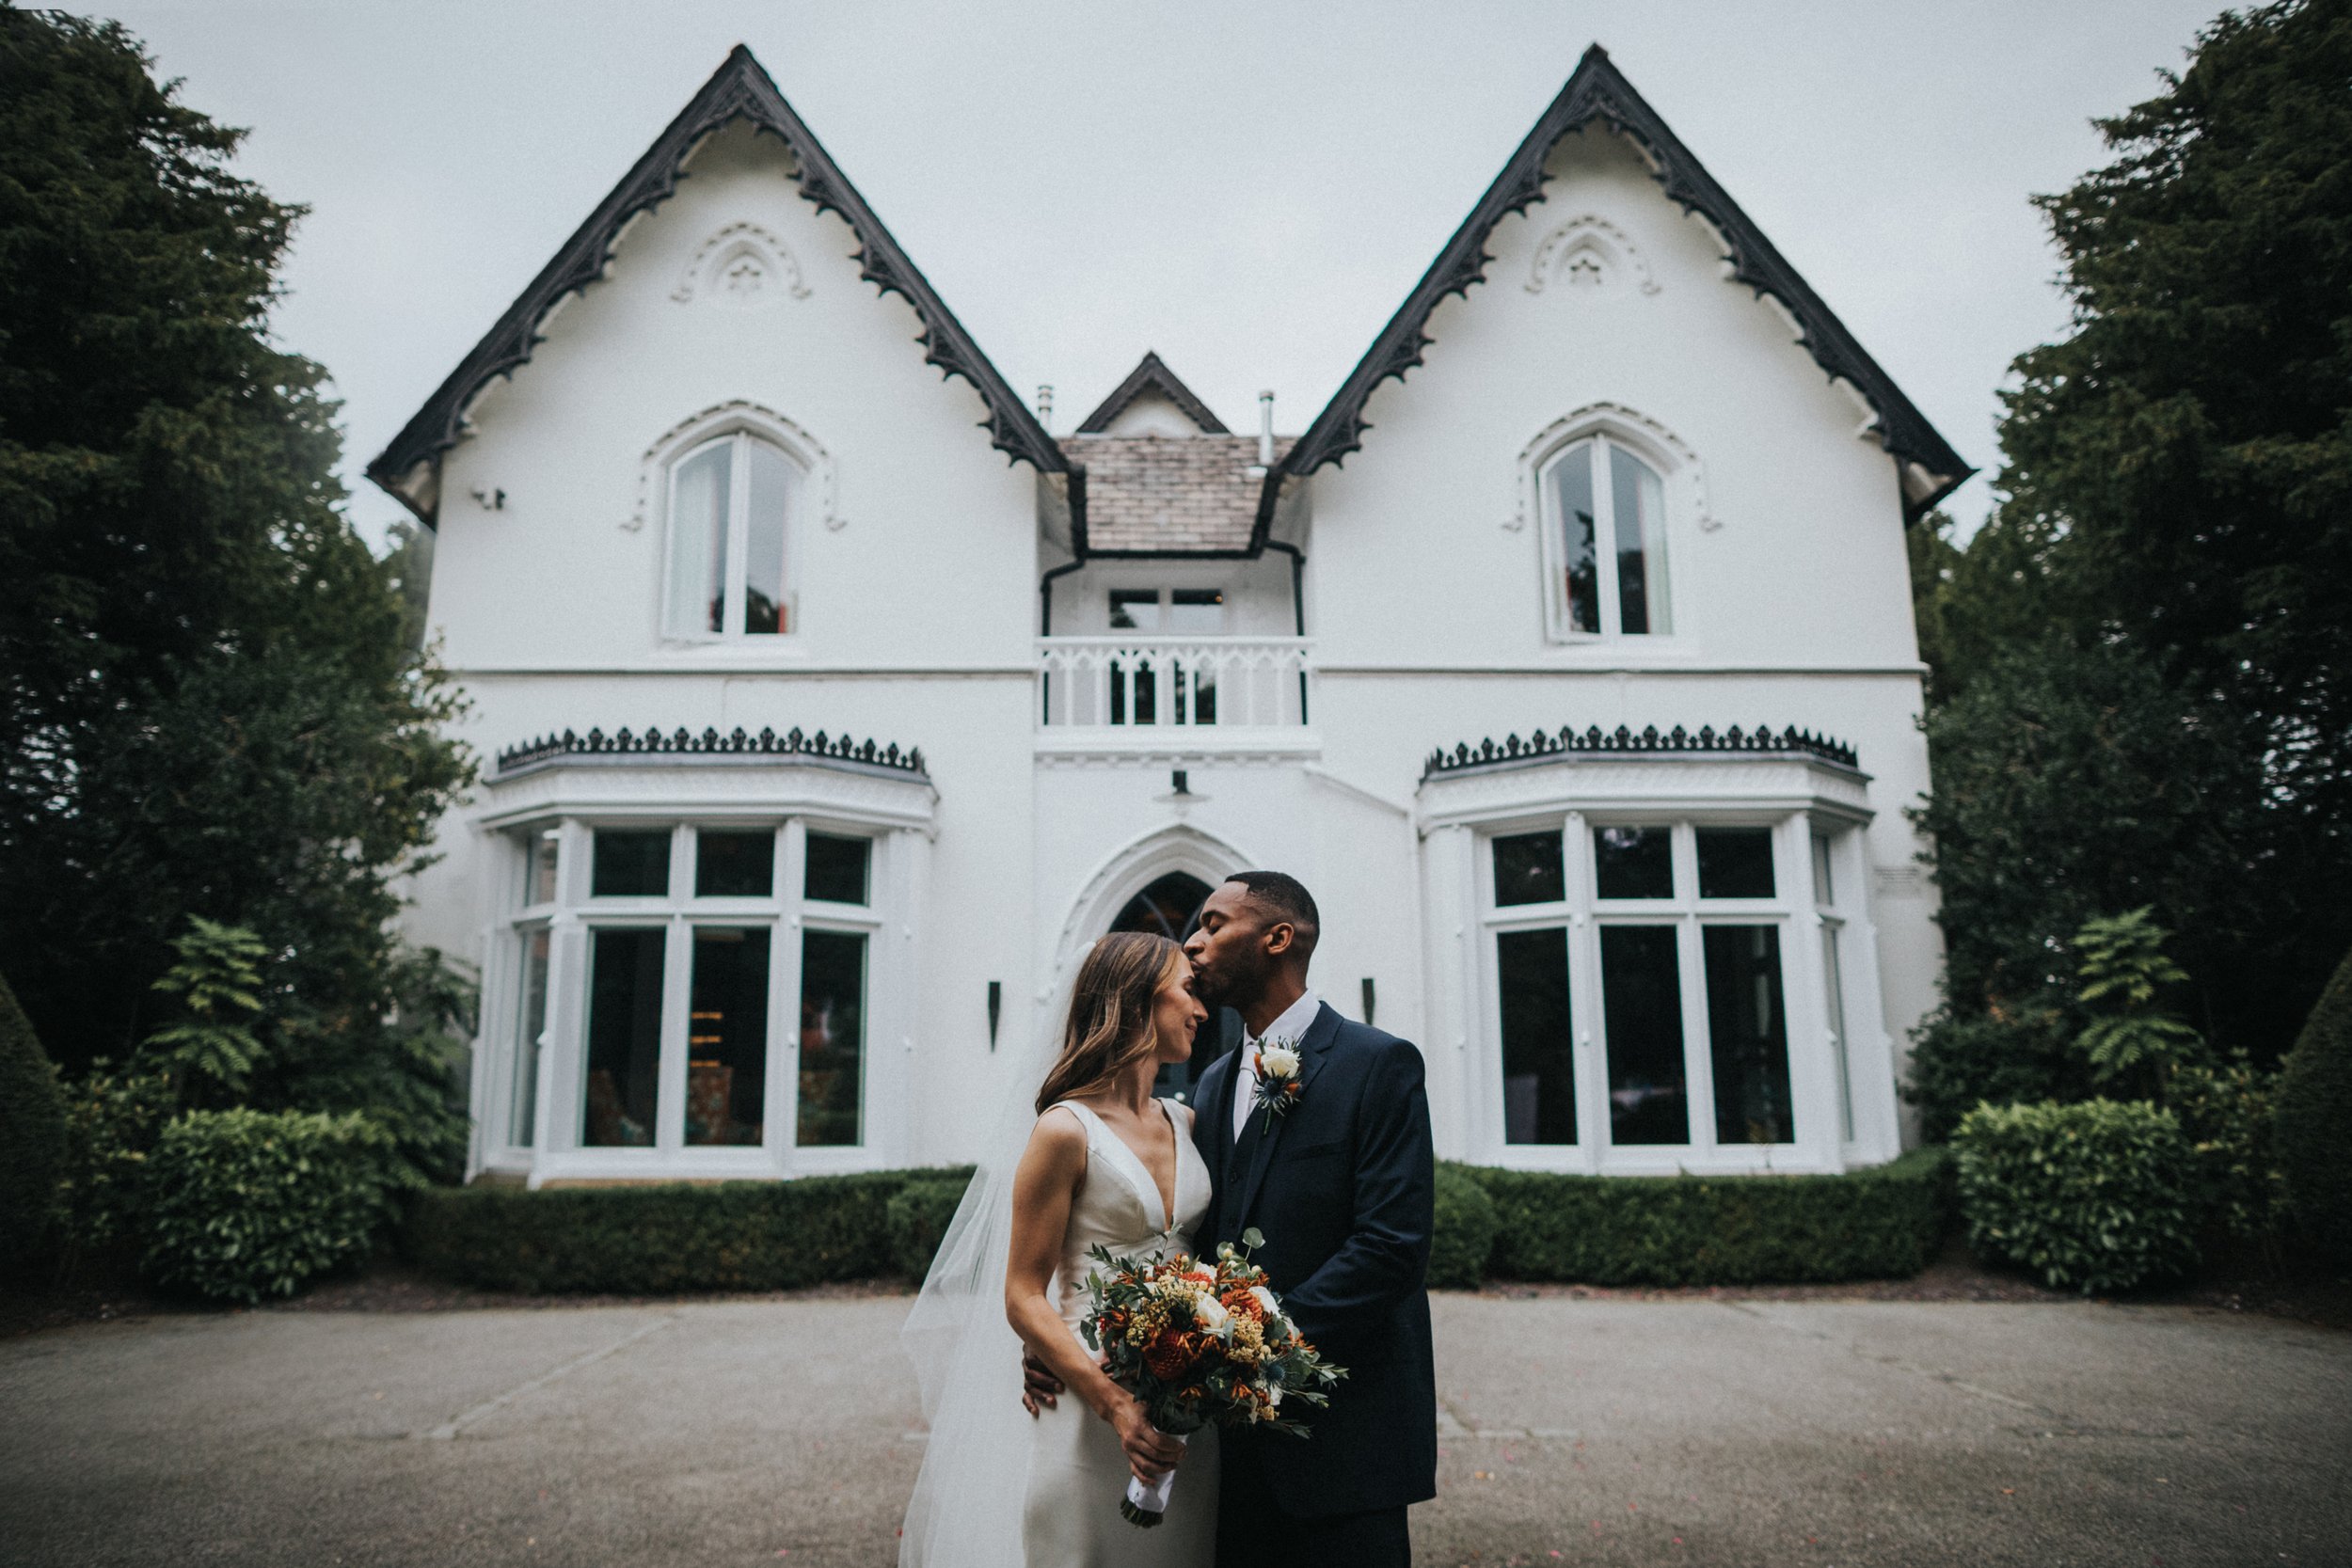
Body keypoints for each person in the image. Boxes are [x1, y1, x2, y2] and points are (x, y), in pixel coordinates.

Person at [1026, 872, 1438, 1567]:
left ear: (1277, 938)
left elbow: (1391, 1246)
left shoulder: (1379, 1064)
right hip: (1225, 1449)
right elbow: (1175, 1231)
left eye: (1215, 924)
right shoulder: (1211, 1086)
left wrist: (1237, 1343)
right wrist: (1060, 1336)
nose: (1194, 941)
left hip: (1342, 1439)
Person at [898, 929, 1220, 1566]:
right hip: (1084, 1401)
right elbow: (1021, 1293)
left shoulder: (1187, 1121)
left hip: (1185, 1405)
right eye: (1187, 990)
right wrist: (1116, 1406)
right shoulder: (1063, 1130)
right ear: (1136, 1005)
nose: (1203, 1010)